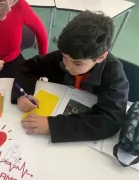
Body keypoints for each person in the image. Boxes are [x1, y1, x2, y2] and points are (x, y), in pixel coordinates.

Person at [11, 11, 129, 143]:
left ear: (100, 57)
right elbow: (26, 67)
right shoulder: (69, 54)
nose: (67, 66)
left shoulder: (114, 74)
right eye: (64, 57)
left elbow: (110, 121)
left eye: (77, 63)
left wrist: (52, 126)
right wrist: (23, 93)